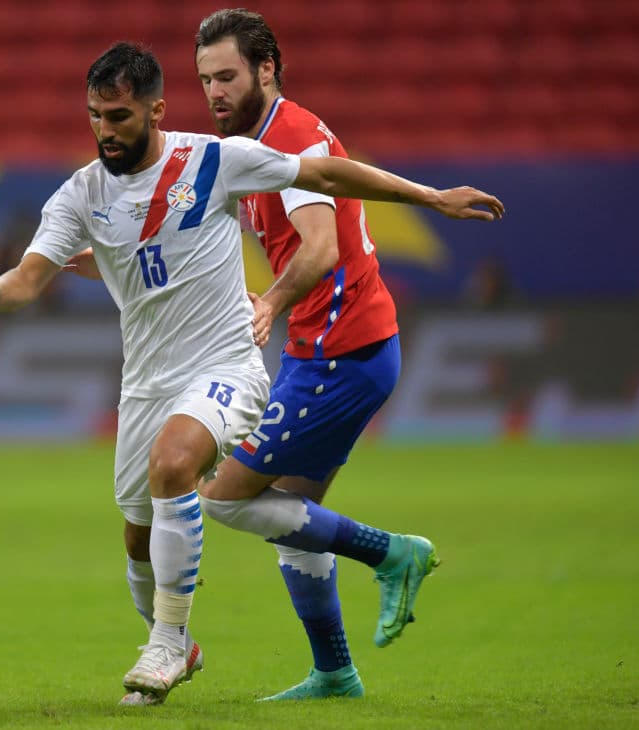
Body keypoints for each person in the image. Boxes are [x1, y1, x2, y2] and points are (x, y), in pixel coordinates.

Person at [0, 42, 502, 707]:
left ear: (156, 109)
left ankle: (166, 644)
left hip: (227, 366)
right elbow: (30, 277)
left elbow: (328, 175)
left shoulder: (216, 161)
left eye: (120, 117)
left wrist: (432, 198)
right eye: (96, 116)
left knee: (176, 466)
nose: (106, 131)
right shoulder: (81, 193)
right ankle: (193, 647)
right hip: (147, 384)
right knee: (137, 535)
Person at [190, 9, 487, 701]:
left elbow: (320, 248)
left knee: (227, 499)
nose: (214, 93)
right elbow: (347, 175)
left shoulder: (284, 136)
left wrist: (270, 302)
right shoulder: (278, 135)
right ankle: (334, 673)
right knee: (293, 520)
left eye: (228, 75)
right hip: (332, 351)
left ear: (267, 68)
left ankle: (393, 554)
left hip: (339, 355)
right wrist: (430, 196)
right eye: (205, 79)